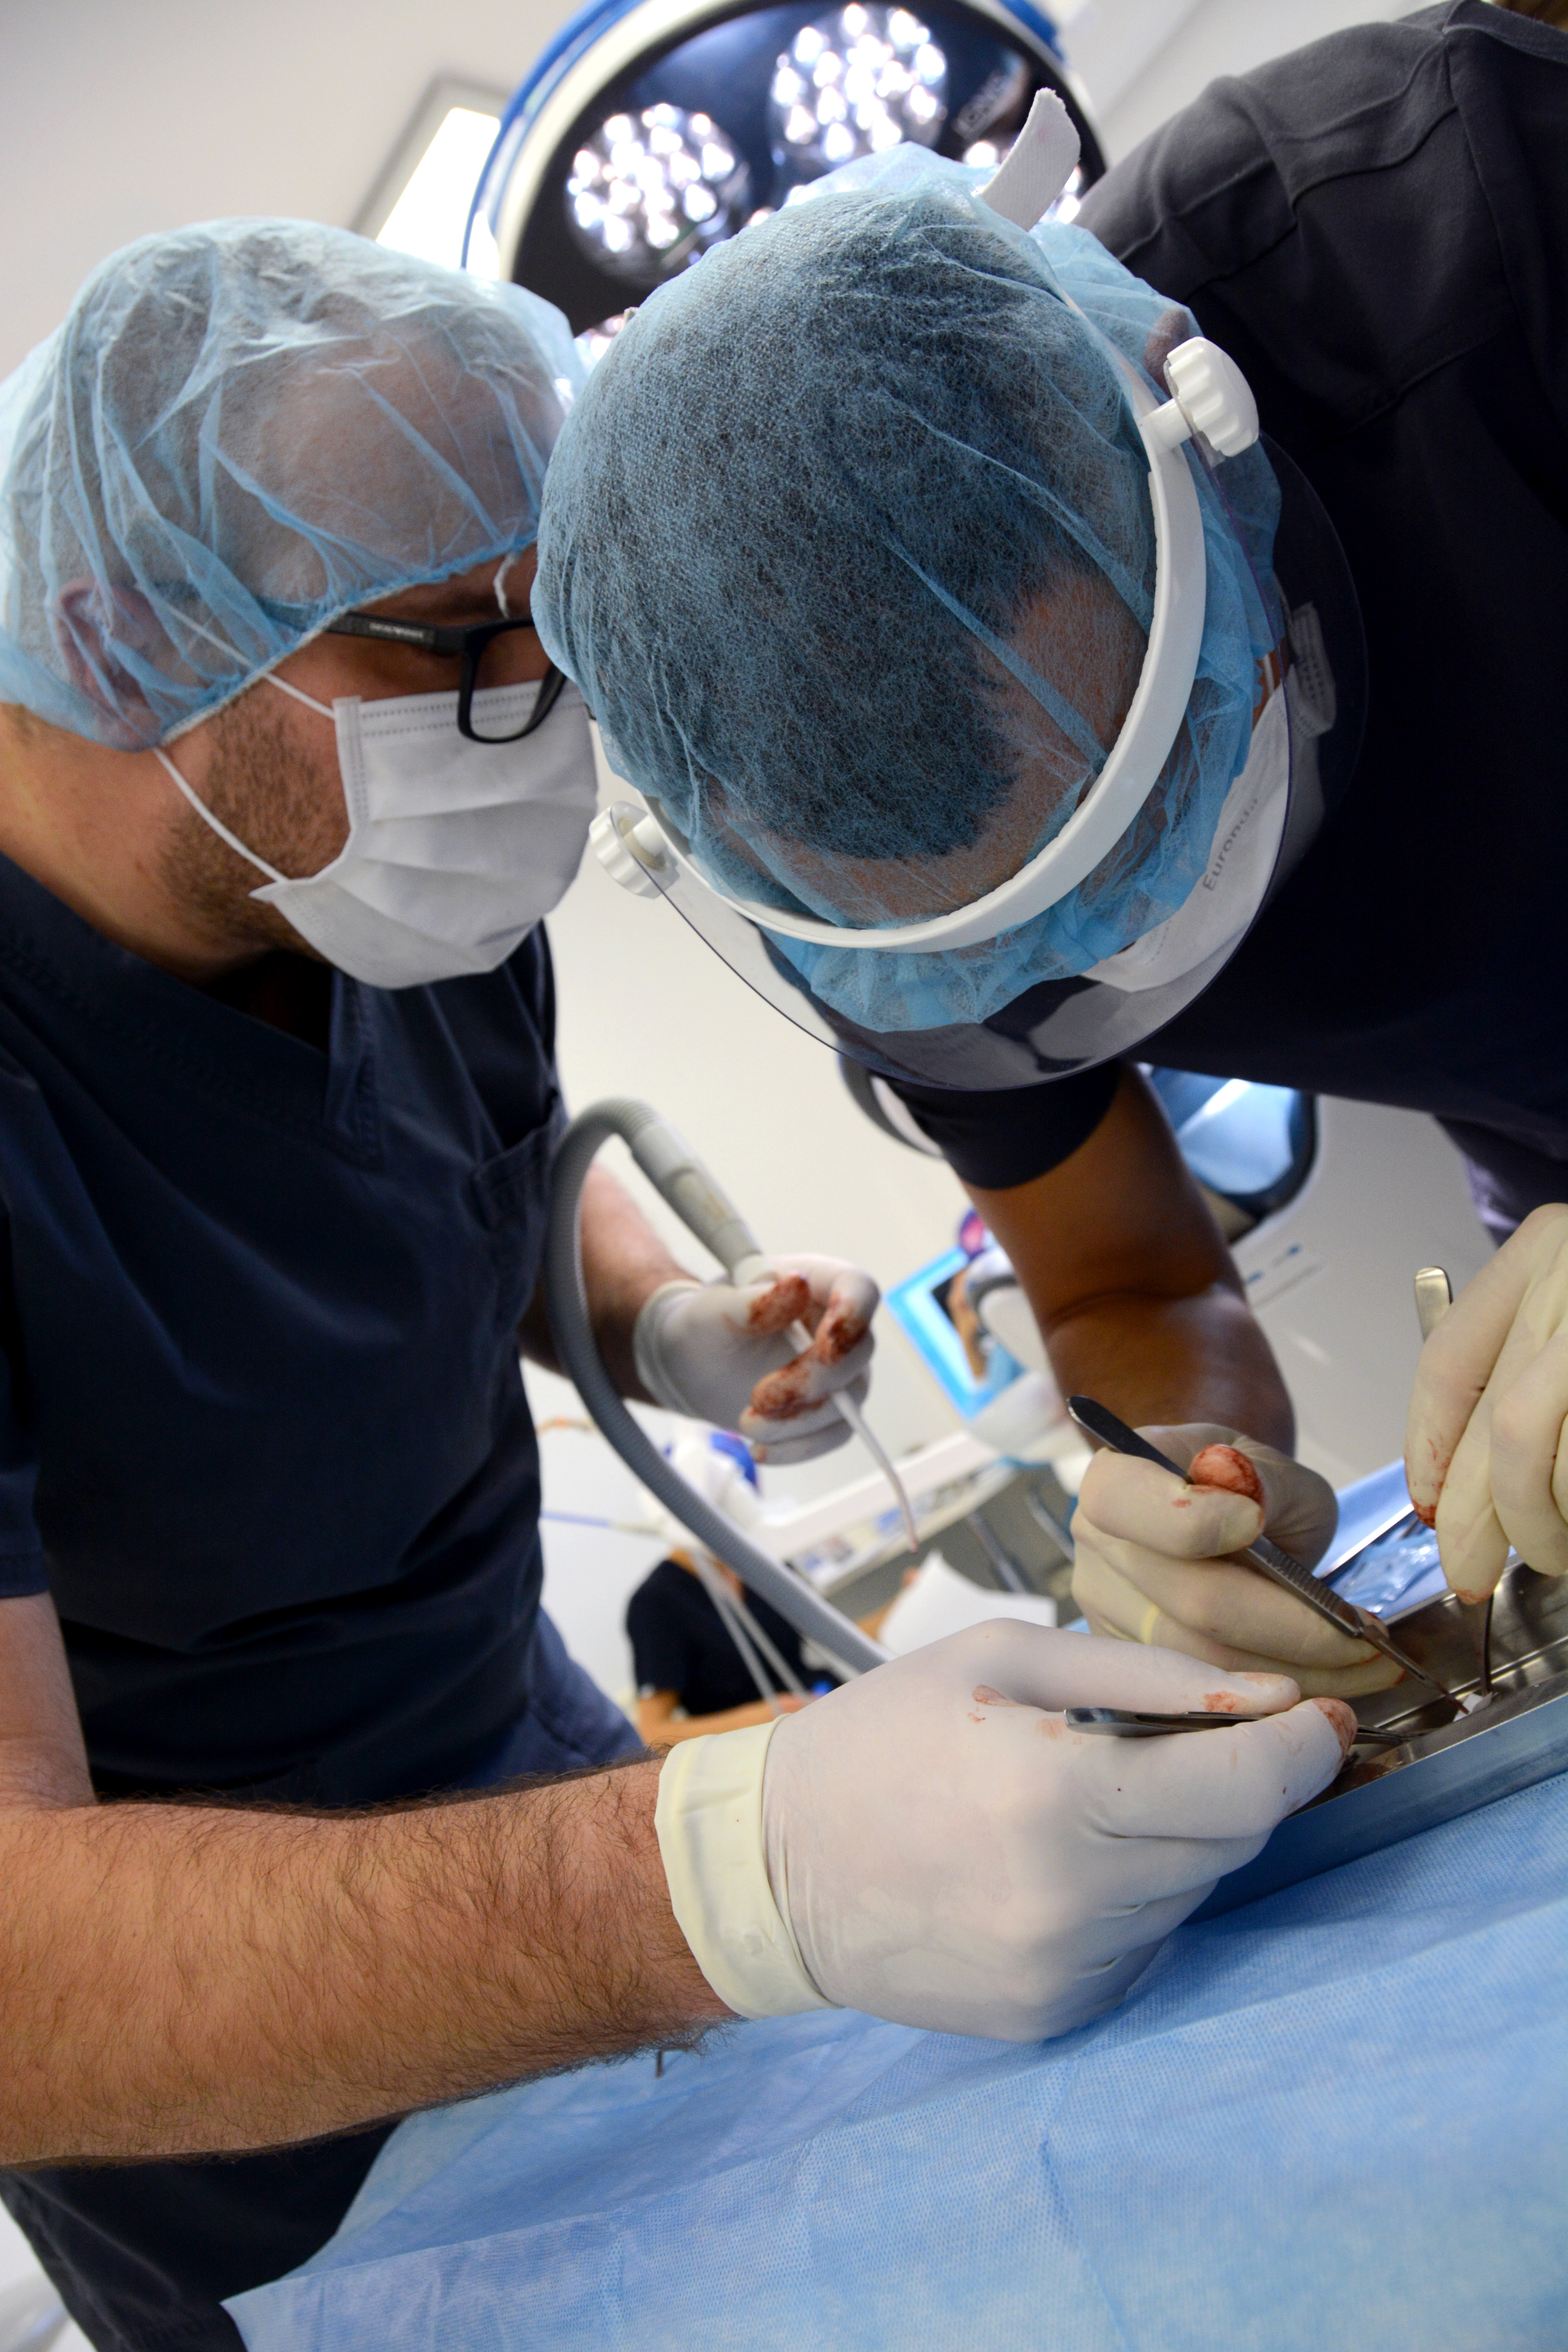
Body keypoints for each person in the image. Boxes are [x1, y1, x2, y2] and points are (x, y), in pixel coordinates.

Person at [0, 217, 890, 2350]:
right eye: (450, 641)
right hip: (235, 2026)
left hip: (534, 1747)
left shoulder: (382, 891)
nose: (536, 725)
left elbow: (469, 1180)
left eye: (550, 627)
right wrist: (730, 1870)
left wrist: (668, 1324)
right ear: (126, 637)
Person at [533, 1, 1568, 1691]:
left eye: (1152, 803)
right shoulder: (841, 892)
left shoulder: (1459, 238)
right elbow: (1129, 1282)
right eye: (1030, 951)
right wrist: (1181, 1486)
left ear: (1187, 438)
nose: (1139, 947)